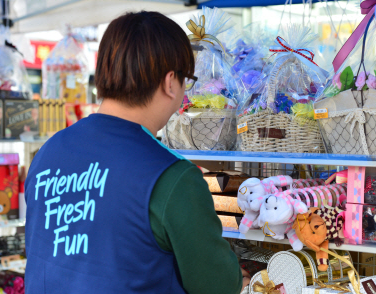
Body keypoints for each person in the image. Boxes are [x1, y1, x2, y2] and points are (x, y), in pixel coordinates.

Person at [25, 11, 250, 294]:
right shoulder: (173, 177)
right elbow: (215, 285)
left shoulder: (48, 153)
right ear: (170, 82)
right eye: (187, 80)